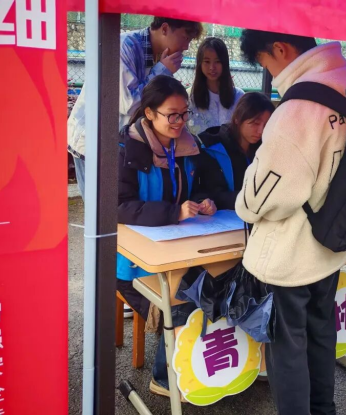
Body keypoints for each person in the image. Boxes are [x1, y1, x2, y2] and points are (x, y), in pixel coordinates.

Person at [234, 29, 346, 415]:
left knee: (287, 348)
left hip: (291, 254)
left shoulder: (297, 110)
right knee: (321, 334)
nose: (271, 74)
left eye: (266, 64)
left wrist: (243, 204)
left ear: (280, 48)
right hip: (331, 242)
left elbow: (267, 196)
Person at [116, 75, 217, 396]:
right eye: (172, 115)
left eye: (184, 113)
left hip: (177, 250)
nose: (180, 122)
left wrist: (203, 201)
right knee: (182, 304)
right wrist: (174, 212)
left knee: (217, 286)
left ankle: (206, 368)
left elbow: (194, 188)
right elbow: (119, 207)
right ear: (149, 113)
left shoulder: (188, 145)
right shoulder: (126, 148)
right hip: (131, 264)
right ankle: (165, 380)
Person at [68, 17, 203, 200]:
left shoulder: (159, 55)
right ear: (164, 28)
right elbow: (129, 103)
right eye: (185, 37)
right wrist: (163, 71)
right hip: (93, 141)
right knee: (100, 208)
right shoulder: (125, 47)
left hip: (119, 142)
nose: (186, 47)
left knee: (119, 205)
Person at [191, 92, 275, 209]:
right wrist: (250, 199)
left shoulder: (267, 148)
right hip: (221, 217)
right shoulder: (212, 148)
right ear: (237, 119)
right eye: (255, 123)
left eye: (266, 125)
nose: (261, 131)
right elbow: (209, 194)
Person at [187, 37, 245, 135]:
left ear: (225, 63)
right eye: (207, 61)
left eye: (217, 62)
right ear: (200, 64)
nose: (212, 67)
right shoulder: (189, 97)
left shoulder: (239, 97)